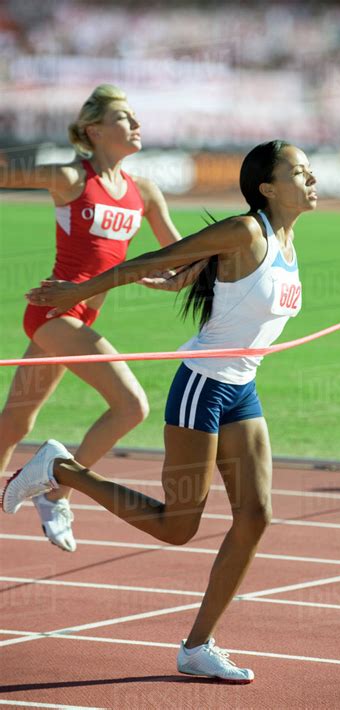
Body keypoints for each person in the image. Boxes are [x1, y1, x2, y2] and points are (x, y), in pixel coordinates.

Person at [2, 140, 318, 682]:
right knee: (177, 527)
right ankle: (59, 470)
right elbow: (151, 259)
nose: (312, 179)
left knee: (256, 514)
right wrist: (81, 289)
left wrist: (182, 279)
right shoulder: (247, 231)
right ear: (267, 187)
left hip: (242, 387)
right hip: (202, 385)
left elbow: (198, 275)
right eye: (300, 171)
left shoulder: (287, 240)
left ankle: (198, 647)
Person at [0, 84, 203, 552]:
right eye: (124, 118)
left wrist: (189, 274)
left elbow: (179, 257)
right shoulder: (71, 178)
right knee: (132, 405)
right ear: (94, 129)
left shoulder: (145, 193)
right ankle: (57, 491)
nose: (136, 125)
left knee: (14, 422)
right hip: (52, 313)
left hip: (74, 316)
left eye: (136, 118)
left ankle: (50, 488)